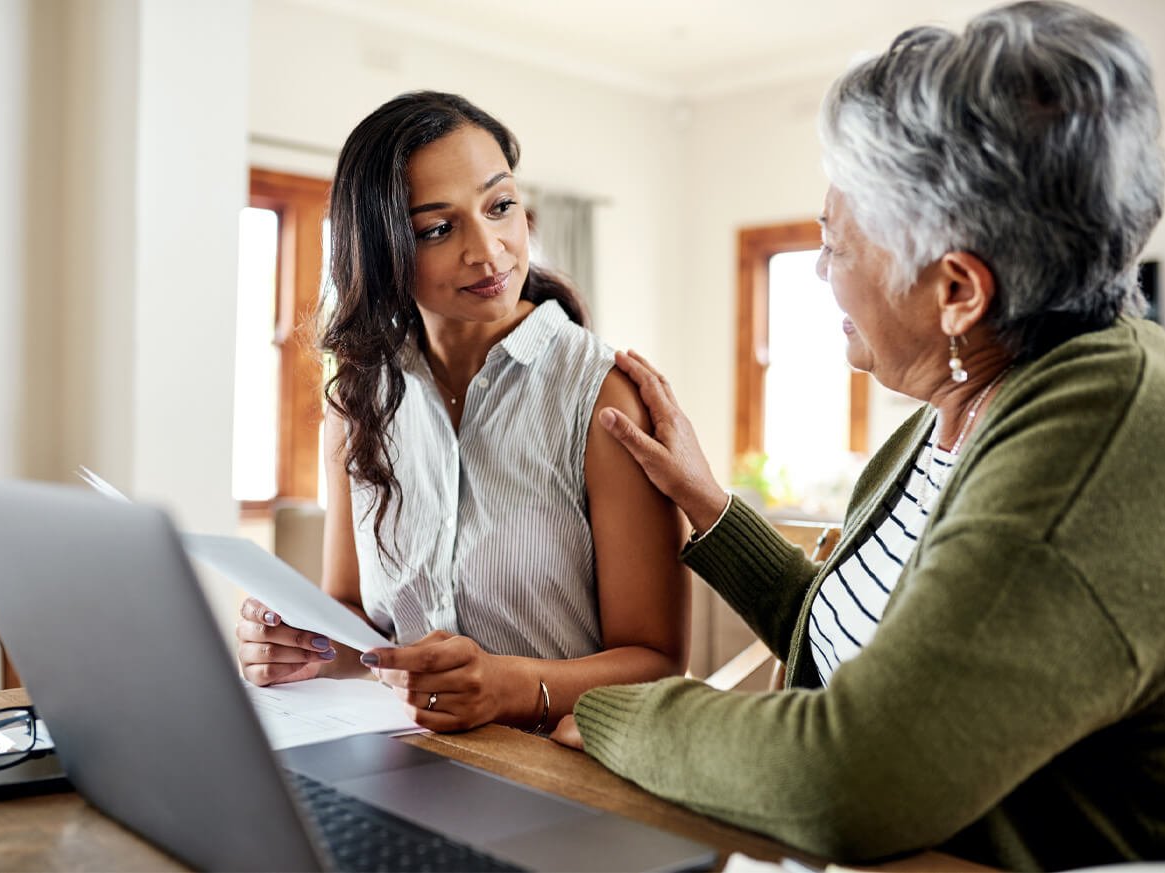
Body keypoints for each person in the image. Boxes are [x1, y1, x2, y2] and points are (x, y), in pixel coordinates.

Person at [550, 2, 1165, 869]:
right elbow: (849, 640)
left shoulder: (1094, 444)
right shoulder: (970, 401)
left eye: (836, 245)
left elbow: (846, 779)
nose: (820, 272)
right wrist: (707, 504)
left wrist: (620, 710)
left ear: (957, 291)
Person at [236, 91, 689, 734]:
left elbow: (659, 664)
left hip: (556, 771)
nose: (489, 251)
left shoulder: (604, 396)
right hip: (405, 757)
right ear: (384, 249)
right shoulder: (360, 396)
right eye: (438, 229)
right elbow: (355, 622)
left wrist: (511, 686)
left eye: (500, 206)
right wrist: (299, 647)